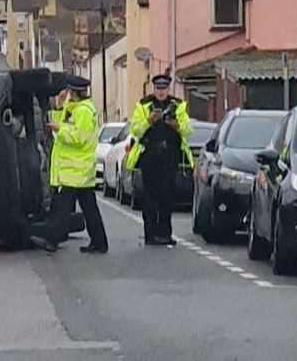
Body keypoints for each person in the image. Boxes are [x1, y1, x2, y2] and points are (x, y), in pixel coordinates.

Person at [31, 75, 109, 254]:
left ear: (74, 92)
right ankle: (99, 242)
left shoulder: (83, 111)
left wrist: (60, 129)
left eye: (69, 92)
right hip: (75, 169)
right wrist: (58, 107)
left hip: (76, 169)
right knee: (89, 209)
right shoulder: (75, 108)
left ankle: (52, 240)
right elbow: (61, 123)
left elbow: (79, 137)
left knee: (62, 208)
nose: (67, 95)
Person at [126, 73, 193, 246]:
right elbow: (136, 130)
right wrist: (149, 121)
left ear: (168, 89)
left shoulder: (177, 105)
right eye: (158, 88)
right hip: (150, 155)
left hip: (170, 155)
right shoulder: (143, 105)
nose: (161, 92)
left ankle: (165, 233)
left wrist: (176, 125)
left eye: (164, 88)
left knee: (167, 196)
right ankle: (150, 234)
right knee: (150, 197)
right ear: (153, 88)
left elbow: (188, 130)